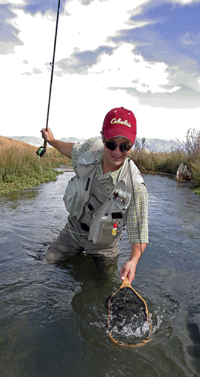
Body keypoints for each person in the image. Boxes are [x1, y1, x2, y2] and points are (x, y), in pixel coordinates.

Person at [40, 107, 148, 283]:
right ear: (103, 137)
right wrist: (51, 141)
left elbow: (139, 235)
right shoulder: (89, 150)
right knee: (48, 262)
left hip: (104, 246)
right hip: (73, 230)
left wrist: (133, 261)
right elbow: (71, 150)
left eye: (125, 146)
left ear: (132, 145)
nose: (117, 152)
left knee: (100, 286)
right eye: (111, 144)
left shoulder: (136, 187)